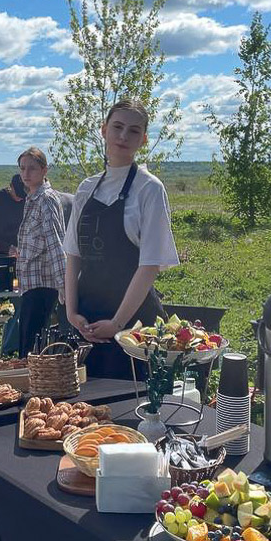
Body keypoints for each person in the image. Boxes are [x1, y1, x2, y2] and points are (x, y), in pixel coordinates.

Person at [64, 98, 180, 379]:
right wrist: (71, 312)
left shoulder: (149, 189)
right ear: (103, 130)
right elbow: (73, 255)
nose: (123, 136)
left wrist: (118, 323)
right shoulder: (86, 188)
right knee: (81, 409)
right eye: (117, 127)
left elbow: (149, 265)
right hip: (86, 320)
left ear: (143, 140)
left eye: (134, 131)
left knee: (130, 405)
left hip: (134, 325)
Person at [14, 147, 66, 357]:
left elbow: (56, 242)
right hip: (31, 283)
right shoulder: (32, 198)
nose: (26, 174)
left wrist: (64, 284)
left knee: (31, 348)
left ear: (44, 170)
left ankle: (32, 384)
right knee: (26, 343)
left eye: (32, 169)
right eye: (23, 169)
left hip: (43, 284)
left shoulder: (46, 199)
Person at [0, 173, 26, 292]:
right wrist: (7, 248)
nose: (20, 198)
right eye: (17, 195)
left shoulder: (28, 200)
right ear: (11, 187)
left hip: (20, 256)